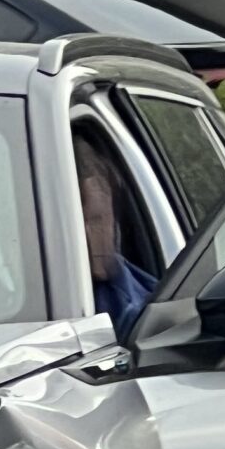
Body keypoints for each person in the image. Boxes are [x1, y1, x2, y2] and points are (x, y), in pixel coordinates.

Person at [76, 136, 158, 340]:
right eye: (76, 224)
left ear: (113, 217)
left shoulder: (142, 310)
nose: (88, 236)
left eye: (96, 219)